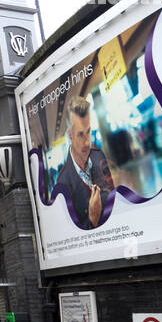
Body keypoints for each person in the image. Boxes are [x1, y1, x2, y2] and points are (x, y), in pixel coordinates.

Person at [53, 96, 113, 230]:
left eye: (88, 132)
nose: (87, 142)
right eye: (80, 134)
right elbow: (70, 232)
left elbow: (112, 196)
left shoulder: (98, 156)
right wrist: (92, 220)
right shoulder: (63, 182)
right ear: (70, 135)